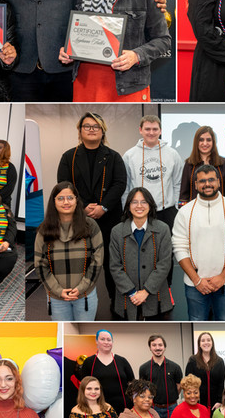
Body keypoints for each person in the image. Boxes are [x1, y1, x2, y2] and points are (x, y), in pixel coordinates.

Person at [57, 113, 127, 311]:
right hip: (79, 218)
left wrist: (103, 207)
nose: (91, 129)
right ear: (80, 131)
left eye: (96, 126)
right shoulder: (68, 157)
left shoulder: (113, 156)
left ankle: (117, 302)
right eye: (87, 126)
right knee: (82, 262)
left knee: (112, 262)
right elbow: (64, 186)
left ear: (103, 130)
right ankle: (81, 301)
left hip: (109, 217)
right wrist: (83, 206)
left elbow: (120, 183)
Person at [172, 164, 225, 320]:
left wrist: (222, 277)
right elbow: (179, 247)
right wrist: (197, 280)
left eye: (211, 180)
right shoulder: (184, 212)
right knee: (196, 322)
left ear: (219, 182)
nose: (207, 184)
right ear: (195, 185)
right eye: (202, 181)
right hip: (195, 284)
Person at [34, 181, 103, 320]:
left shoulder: (90, 225)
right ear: (53, 202)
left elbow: (98, 260)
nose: (66, 202)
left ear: (77, 200)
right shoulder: (44, 229)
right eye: (60, 198)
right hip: (56, 297)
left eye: (70, 198)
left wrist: (81, 288)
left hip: (85, 295)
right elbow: (40, 264)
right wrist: (58, 291)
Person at [110, 187, 174, 320]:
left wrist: (145, 291)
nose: (139, 206)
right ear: (128, 206)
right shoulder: (117, 231)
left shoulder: (162, 229)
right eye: (134, 202)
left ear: (150, 205)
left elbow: (165, 264)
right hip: (127, 299)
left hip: (156, 298)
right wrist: (133, 293)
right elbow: (115, 266)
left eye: (144, 202)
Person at [122, 115, 182, 235]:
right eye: (147, 129)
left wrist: (175, 208)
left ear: (160, 131)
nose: (151, 133)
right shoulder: (129, 155)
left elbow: (177, 183)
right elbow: (126, 186)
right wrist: (126, 210)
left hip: (167, 212)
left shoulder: (173, 154)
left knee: (166, 249)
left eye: (155, 129)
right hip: (139, 211)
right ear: (140, 130)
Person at [76, 330, 134, 414]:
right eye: (102, 339)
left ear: (112, 342)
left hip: (123, 407)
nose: (106, 342)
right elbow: (83, 386)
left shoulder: (122, 361)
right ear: (96, 341)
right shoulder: (89, 362)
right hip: (98, 408)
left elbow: (132, 383)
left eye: (109, 340)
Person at [179, 126, 225, 205]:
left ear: (213, 142)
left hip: (219, 210)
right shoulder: (189, 163)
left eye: (208, 140)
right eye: (201, 140)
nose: (205, 143)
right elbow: (184, 194)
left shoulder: (223, 162)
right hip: (195, 211)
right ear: (196, 142)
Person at [139, 335, 182, 418]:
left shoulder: (175, 367)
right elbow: (143, 389)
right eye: (154, 345)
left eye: (160, 345)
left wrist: (171, 396)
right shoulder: (143, 368)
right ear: (150, 348)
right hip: (153, 408)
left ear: (164, 347)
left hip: (172, 408)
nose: (157, 348)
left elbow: (179, 387)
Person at [184, 332, 225, 413]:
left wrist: (220, 401)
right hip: (197, 402)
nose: (206, 342)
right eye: (203, 340)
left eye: (208, 340)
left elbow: (222, 382)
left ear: (212, 343)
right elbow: (188, 383)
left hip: (216, 405)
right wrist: (193, 400)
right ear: (199, 344)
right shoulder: (193, 360)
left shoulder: (219, 361)